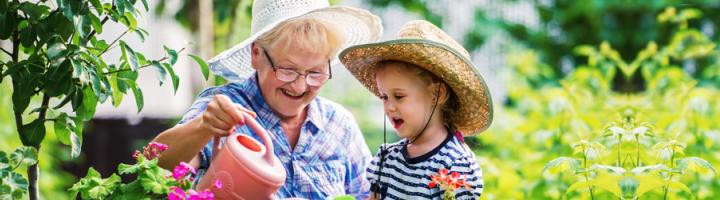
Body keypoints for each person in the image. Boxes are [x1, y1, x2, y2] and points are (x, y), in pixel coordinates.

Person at [151, 0, 382, 199]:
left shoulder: (338, 125)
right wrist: (203, 126)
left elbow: (366, 195)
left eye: (315, 73)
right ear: (256, 54)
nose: (300, 86)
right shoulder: (225, 107)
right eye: (287, 70)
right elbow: (155, 165)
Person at [339, 20, 493, 199]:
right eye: (384, 97)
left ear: (437, 94)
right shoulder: (387, 157)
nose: (389, 106)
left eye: (399, 96)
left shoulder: (456, 164)